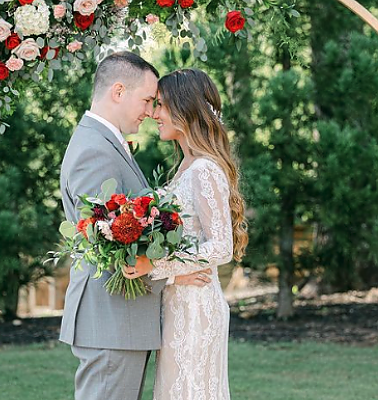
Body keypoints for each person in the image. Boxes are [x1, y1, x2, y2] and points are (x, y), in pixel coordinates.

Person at [59, 53, 211, 400]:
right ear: (118, 91)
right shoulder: (94, 151)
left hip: (119, 322)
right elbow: (110, 242)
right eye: (146, 99)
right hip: (110, 321)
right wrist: (173, 272)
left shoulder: (103, 143)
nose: (150, 111)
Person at [124, 68, 249, 400]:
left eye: (161, 105)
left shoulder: (205, 169)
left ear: (183, 107)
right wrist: (171, 276)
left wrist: (155, 266)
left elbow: (221, 247)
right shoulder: (186, 167)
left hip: (198, 308)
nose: (154, 114)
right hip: (180, 301)